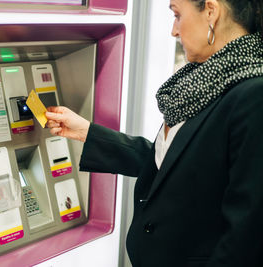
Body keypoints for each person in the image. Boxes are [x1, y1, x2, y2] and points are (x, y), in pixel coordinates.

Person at [45, 0, 263, 266]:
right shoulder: (204, 82)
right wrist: (87, 133)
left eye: (177, 15)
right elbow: (176, 167)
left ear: (210, 11)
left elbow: (246, 235)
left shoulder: (253, 94)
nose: (174, 30)